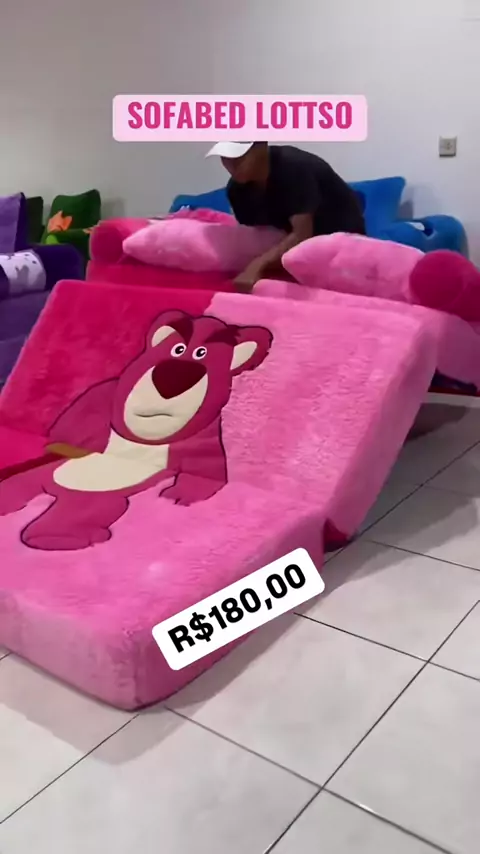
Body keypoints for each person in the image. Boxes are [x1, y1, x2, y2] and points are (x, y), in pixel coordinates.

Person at [206, 141, 366, 292]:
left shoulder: (293, 167)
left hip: (341, 240)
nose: (232, 164)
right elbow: (257, 236)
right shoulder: (237, 190)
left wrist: (258, 265)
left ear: (261, 147)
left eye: (239, 156)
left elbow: (302, 235)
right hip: (290, 246)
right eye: (225, 157)